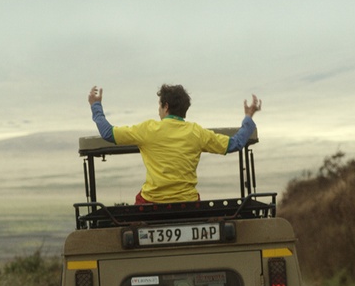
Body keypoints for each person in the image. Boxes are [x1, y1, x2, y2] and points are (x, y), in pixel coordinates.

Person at [88, 84, 261, 204]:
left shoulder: (148, 129)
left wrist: (96, 106)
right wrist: (248, 117)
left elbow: (108, 133)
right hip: (188, 203)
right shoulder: (196, 132)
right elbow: (235, 144)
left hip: (151, 203)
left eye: (159, 105)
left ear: (165, 106)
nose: (158, 110)